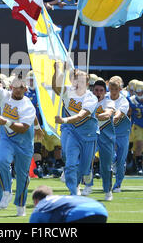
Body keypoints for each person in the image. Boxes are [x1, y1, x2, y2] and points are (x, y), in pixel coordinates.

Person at [0, 56, 36, 217]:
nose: (17, 90)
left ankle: (20, 206)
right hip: (7, 139)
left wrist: (6, 121)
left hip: (23, 143)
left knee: (23, 176)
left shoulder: (28, 105)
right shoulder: (5, 96)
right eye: (15, 87)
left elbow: (23, 128)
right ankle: (6, 191)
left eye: (20, 87)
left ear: (25, 89)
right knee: (0, 161)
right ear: (11, 87)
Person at [53, 62, 98, 197]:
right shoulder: (69, 91)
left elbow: (81, 115)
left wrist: (64, 120)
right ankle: (74, 190)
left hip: (87, 134)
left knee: (84, 167)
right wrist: (57, 70)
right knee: (70, 160)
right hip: (71, 131)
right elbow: (56, 87)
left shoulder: (91, 97)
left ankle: (87, 173)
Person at [29, 185, 108, 223]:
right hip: (101, 209)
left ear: (36, 201)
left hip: (78, 214)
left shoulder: (40, 207)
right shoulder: (60, 199)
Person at [91, 80, 115, 199]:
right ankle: (87, 185)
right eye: (96, 90)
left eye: (101, 91)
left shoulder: (109, 101)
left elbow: (107, 114)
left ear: (105, 92)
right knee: (86, 159)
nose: (98, 93)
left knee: (105, 165)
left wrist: (92, 115)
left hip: (106, 135)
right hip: (90, 134)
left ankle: (107, 190)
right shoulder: (88, 101)